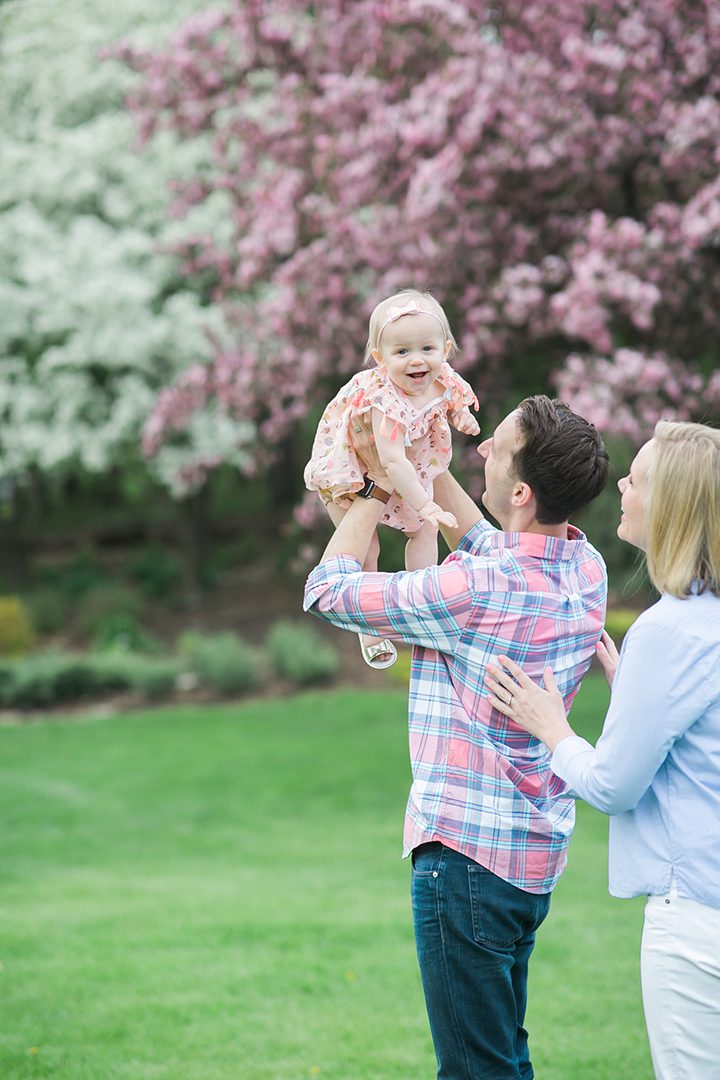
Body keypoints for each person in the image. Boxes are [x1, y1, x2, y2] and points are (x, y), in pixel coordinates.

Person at [303, 394, 610, 1079]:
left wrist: (377, 488)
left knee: (476, 1070)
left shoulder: (470, 590)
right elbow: (484, 543)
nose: (482, 454)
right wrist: (423, 456)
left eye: (494, 450)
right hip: (530, 862)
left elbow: (329, 591)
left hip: (465, 865)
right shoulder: (584, 568)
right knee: (503, 1054)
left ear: (521, 490)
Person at [485, 420, 720, 1080]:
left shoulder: (667, 631)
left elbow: (615, 785)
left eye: (637, 479)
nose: (622, 484)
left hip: (696, 921)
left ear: (670, 506)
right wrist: (635, 700)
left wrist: (550, 729)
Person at [304, 288, 479, 668]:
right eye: (402, 353)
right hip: (354, 464)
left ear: (445, 349)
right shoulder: (386, 402)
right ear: (380, 359)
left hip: (408, 465)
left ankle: (424, 598)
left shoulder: (443, 378)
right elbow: (392, 463)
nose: (416, 360)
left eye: (426, 350)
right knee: (366, 550)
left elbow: (455, 400)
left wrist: (462, 415)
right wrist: (426, 503)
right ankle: (368, 629)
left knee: (425, 530)